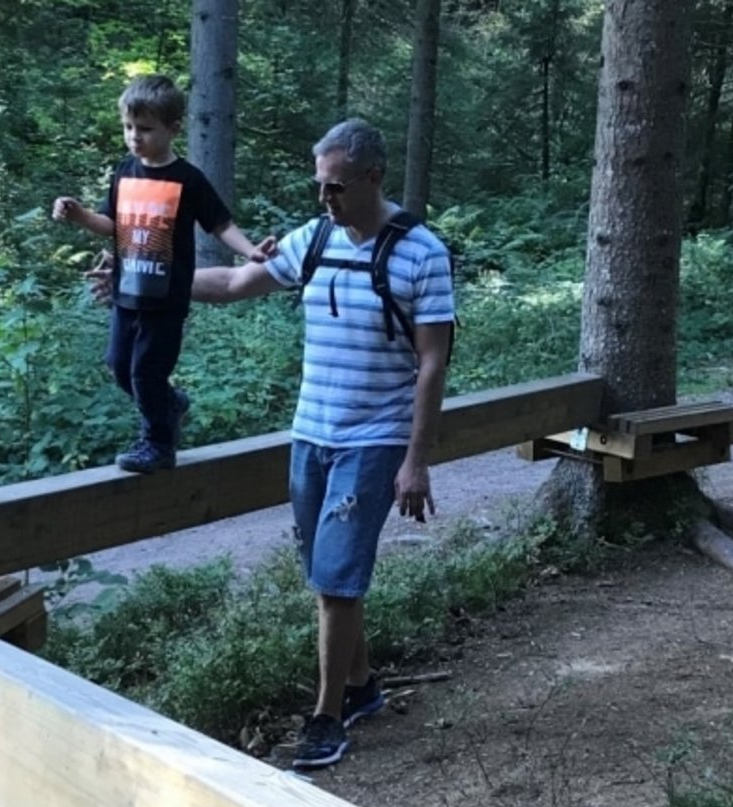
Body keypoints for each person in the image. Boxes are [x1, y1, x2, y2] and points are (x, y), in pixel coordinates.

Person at [92, 119, 455, 770]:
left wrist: (416, 460)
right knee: (326, 574)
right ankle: (363, 686)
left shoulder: (422, 252)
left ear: (373, 177)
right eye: (318, 185)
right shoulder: (313, 239)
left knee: (337, 582)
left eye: (336, 186)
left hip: (376, 437)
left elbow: (433, 361)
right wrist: (139, 278)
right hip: (310, 431)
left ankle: (326, 717)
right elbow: (233, 286)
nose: (325, 199)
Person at [53, 74, 276, 472]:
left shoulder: (187, 179)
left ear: (173, 128)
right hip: (127, 291)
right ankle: (172, 405)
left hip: (166, 297)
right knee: (120, 365)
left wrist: (251, 252)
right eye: (128, 127)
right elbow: (112, 225)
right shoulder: (125, 171)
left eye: (145, 129)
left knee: (146, 371)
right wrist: (80, 215)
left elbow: (220, 224)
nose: (134, 137)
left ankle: (158, 443)